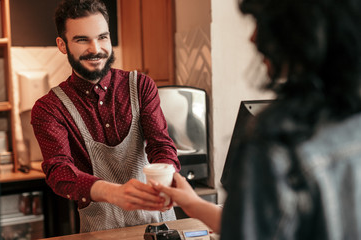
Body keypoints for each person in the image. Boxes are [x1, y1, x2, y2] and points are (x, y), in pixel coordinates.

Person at [153, 0, 361, 239]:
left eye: (261, 23)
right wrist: (193, 204)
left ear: (301, 31)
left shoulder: (274, 143)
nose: (253, 38)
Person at [31, 0, 180, 233]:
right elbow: (59, 171)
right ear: (62, 45)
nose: (96, 48)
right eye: (82, 40)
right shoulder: (50, 108)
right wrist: (115, 193)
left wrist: (166, 176)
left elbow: (161, 145)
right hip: (100, 230)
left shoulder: (141, 86)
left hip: (160, 223)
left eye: (102, 37)